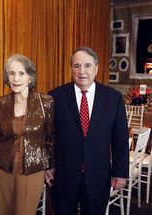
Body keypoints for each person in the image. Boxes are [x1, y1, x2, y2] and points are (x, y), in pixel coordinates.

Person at [48, 46, 129, 215]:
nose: (82, 71)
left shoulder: (113, 98)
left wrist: (120, 173)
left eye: (87, 65)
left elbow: (120, 139)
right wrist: (49, 165)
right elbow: (48, 136)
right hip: (63, 177)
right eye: (77, 66)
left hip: (98, 177)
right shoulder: (55, 97)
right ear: (71, 69)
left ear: (96, 68)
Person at [0, 54, 56, 215]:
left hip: (32, 168)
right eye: (11, 73)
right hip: (2, 168)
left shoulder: (45, 102)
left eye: (21, 73)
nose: (16, 78)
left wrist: (51, 166)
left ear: (30, 77)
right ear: (7, 77)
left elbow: (50, 138)